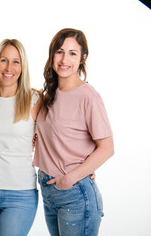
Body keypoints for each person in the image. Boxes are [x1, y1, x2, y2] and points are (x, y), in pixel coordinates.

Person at [33, 28, 114, 236]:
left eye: (72, 53)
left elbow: (107, 148)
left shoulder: (89, 97)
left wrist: (72, 177)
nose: (64, 59)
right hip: (48, 189)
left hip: (75, 194)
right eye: (59, 52)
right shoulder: (49, 93)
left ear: (83, 58)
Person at [0, 39, 42, 236]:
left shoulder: (35, 99)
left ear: (23, 67)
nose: (9, 67)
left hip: (21, 193)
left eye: (16, 62)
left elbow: (56, 137)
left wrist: (81, 165)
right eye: (3, 60)